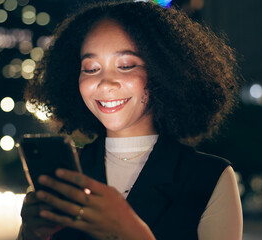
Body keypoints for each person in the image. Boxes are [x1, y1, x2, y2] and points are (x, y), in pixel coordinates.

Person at [18, 1, 242, 239]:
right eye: (91, 69)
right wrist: (30, 234)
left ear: (162, 72)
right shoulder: (65, 176)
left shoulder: (209, 178)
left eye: (125, 65)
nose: (105, 82)